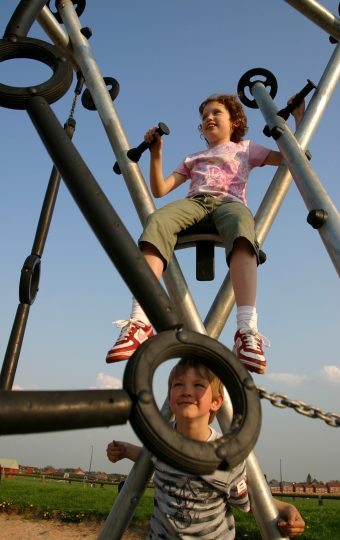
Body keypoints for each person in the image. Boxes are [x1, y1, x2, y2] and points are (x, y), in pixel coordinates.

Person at [106, 94, 304, 374]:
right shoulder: (193, 158)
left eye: (216, 113)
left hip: (230, 203)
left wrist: (298, 119)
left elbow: (290, 157)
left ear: (234, 121)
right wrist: (156, 154)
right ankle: (139, 321)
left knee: (244, 230)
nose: (208, 118)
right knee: (157, 222)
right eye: (204, 116)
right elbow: (160, 190)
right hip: (194, 203)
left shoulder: (246, 149)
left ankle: (247, 331)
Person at [107, 359, 305, 538]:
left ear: (216, 402)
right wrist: (125, 450)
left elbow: (246, 500)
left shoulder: (226, 456)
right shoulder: (161, 440)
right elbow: (150, 457)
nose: (186, 391)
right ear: (170, 397)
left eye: (198, 385)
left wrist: (286, 507)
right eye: (178, 385)